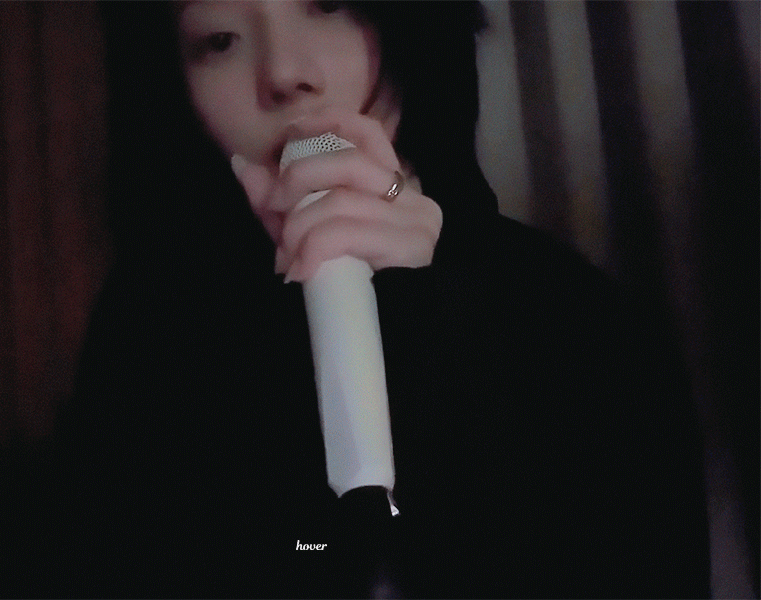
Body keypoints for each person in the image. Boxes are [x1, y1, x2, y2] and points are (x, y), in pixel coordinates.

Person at [49, 2, 710, 597]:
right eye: (219, 40)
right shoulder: (147, 333)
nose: (284, 75)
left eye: (329, 6)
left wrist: (429, 314)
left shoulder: (578, 321)